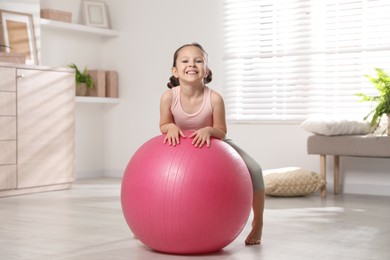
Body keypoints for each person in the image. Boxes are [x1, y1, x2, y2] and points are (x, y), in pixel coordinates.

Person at [159, 42, 265, 246]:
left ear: (206, 70)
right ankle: (150, 223)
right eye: (185, 61)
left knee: (255, 169)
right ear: (175, 71)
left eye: (198, 61)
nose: (192, 64)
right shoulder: (168, 97)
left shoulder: (215, 98)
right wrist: (169, 127)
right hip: (180, 149)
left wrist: (208, 130)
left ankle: (258, 222)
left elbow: (221, 130)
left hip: (215, 145)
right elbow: (164, 123)